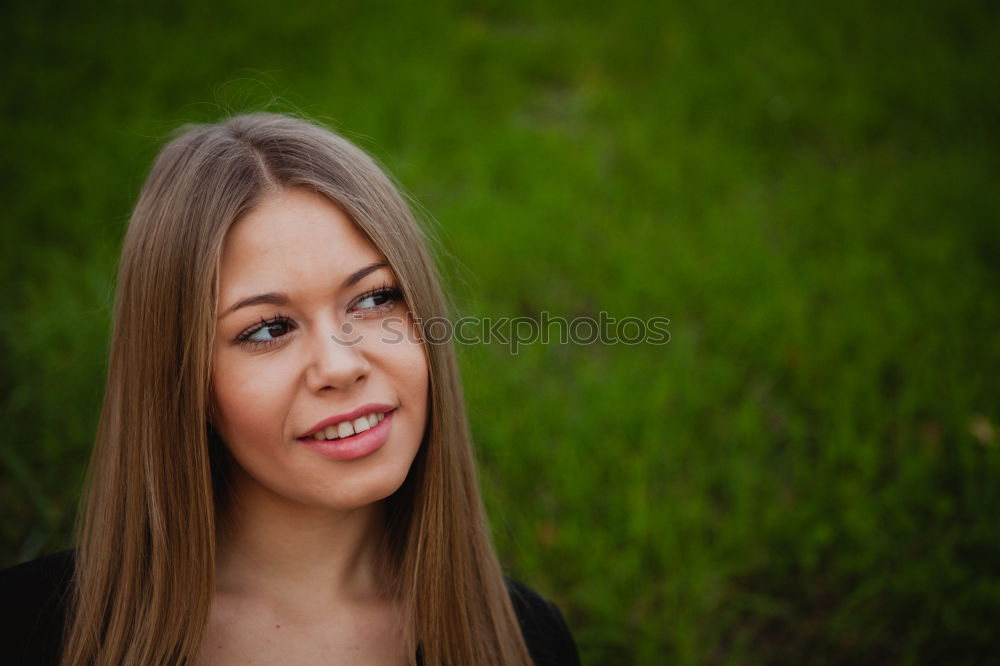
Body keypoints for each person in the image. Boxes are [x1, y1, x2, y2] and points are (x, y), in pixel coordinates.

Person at [0, 113, 580, 665]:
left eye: (376, 298)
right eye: (268, 329)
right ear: (183, 382)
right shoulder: (27, 629)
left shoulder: (531, 641)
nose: (340, 365)